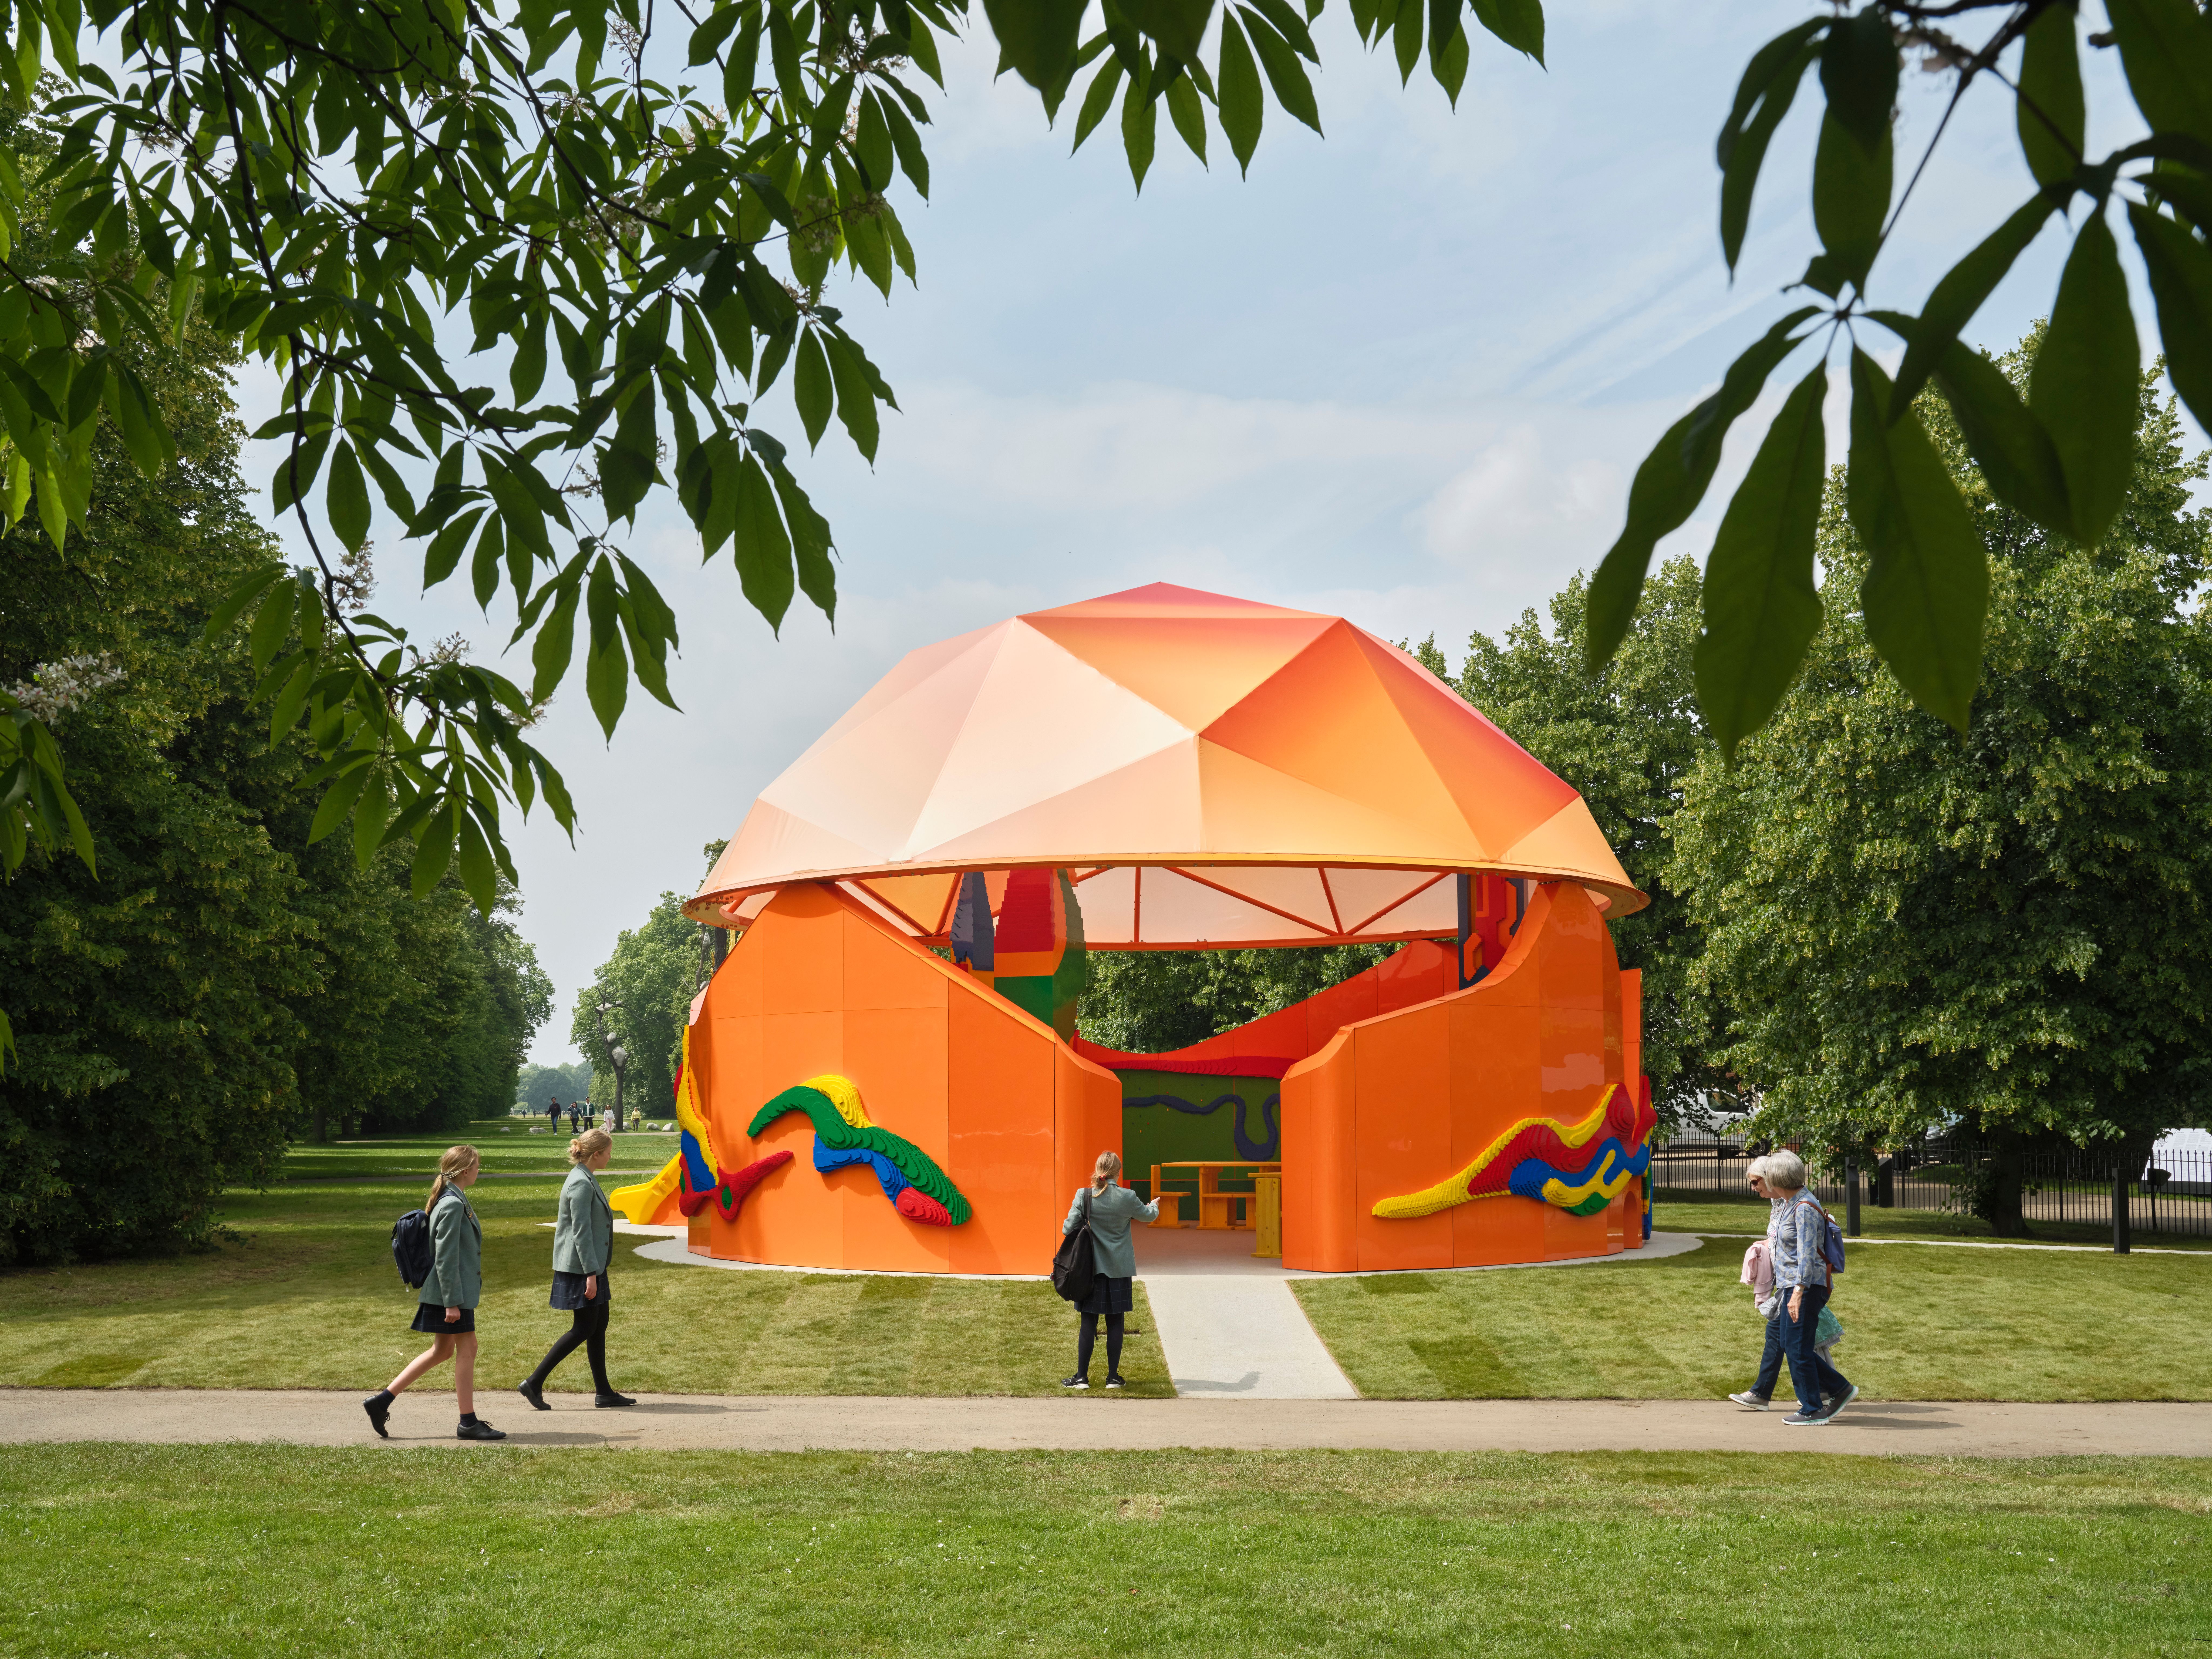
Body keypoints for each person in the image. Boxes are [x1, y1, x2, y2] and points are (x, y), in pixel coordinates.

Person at [363, 1146, 506, 1441]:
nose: (480, 1169)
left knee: (442, 1351)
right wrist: (452, 1302)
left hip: (448, 1292)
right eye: (478, 1165)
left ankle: (381, 1401)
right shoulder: (453, 1203)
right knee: (468, 1349)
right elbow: (445, 1256)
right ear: (466, 1170)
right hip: (450, 1294)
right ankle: (468, 1421)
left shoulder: (453, 1197)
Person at [517, 1129, 635, 1410]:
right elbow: (580, 1233)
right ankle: (534, 1382)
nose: (610, 1156)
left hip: (590, 1265)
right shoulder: (580, 1183)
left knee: (598, 1325)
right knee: (584, 1326)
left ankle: (604, 1392)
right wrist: (590, 1274)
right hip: (581, 1267)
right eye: (608, 1151)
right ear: (597, 1154)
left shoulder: (586, 1177)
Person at [1763, 1149, 1859, 1425]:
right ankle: (1839, 1389)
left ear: (1779, 1178)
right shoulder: (1789, 1202)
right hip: (1791, 1286)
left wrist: (1797, 1293)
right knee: (1790, 1343)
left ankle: (1812, 1408)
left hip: (1804, 1287)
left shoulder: (1804, 1207)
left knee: (1797, 1348)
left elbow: (1806, 1255)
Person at [1060, 1151, 1157, 1390]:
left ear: (1098, 1169)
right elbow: (1148, 1216)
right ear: (1118, 1171)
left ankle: (1081, 1378)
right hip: (1119, 1269)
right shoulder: (1128, 1196)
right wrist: (1153, 1206)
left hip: (1089, 1270)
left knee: (1088, 1323)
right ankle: (1113, 1378)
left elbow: (1067, 1229)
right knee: (1116, 1323)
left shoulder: (1084, 1196)